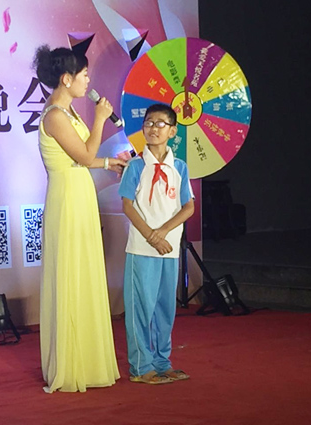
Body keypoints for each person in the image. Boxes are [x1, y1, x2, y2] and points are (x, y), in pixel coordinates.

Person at [32, 45, 125, 393]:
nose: (88, 81)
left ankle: (87, 359)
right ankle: (71, 364)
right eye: (84, 75)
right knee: (71, 273)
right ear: (66, 79)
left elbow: (80, 158)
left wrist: (110, 163)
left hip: (79, 192)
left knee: (85, 272)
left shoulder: (68, 112)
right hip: (67, 199)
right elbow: (84, 156)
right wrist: (100, 119)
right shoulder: (55, 115)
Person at [118, 104, 194, 385]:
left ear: (172, 131)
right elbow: (127, 205)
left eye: (160, 123)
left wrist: (162, 233)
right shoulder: (136, 166)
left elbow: (188, 207)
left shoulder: (179, 167)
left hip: (169, 248)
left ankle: (163, 362)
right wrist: (151, 236)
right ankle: (141, 366)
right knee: (141, 308)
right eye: (148, 123)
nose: (152, 128)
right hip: (142, 248)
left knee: (165, 308)